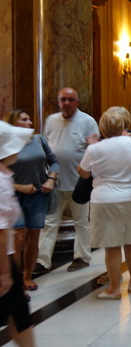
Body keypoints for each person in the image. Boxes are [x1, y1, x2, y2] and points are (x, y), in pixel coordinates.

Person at [0, 120, 65, 347]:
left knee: (17, 310)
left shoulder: (5, 174)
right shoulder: (2, 180)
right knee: (15, 308)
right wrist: (5, 272)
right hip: (1, 260)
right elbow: (2, 229)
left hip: (6, 256)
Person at [77, 108, 131, 300]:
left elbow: (83, 173)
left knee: (112, 246)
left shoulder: (94, 148)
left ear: (102, 127)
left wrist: (91, 147)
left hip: (105, 201)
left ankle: (114, 289)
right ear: (122, 125)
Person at [36, 87, 99, 273]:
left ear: (77, 102)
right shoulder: (51, 120)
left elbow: (94, 150)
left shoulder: (87, 121)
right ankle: (42, 260)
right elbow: (46, 148)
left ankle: (82, 257)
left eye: (71, 99)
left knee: (81, 222)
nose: (67, 103)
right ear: (58, 101)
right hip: (54, 182)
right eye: (63, 99)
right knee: (49, 223)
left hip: (79, 182)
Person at [2, 110, 59, 292]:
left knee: (33, 237)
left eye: (29, 118)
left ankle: (28, 275)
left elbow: (54, 161)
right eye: (24, 119)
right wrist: (20, 187)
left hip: (38, 194)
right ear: (13, 123)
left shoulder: (38, 140)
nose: (29, 122)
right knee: (18, 238)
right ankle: (15, 280)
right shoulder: (7, 145)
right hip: (14, 195)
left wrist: (51, 179)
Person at [95, 106, 131, 287]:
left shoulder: (130, 141)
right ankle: (130, 279)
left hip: (109, 197)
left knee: (114, 242)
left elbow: (85, 171)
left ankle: (120, 279)